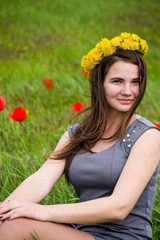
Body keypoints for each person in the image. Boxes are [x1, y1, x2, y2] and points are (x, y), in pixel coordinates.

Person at [0, 32, 160, 240]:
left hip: (123, 237)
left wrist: (40, 211)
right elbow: (41, 179)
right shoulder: (77, 134)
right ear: (99, 83)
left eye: (135, 82)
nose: (128, 91)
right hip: (82, 234)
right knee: (8, 223)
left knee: (14, 228)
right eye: (117, 81)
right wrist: (5, 210)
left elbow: (119, 207)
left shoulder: (148, 136)